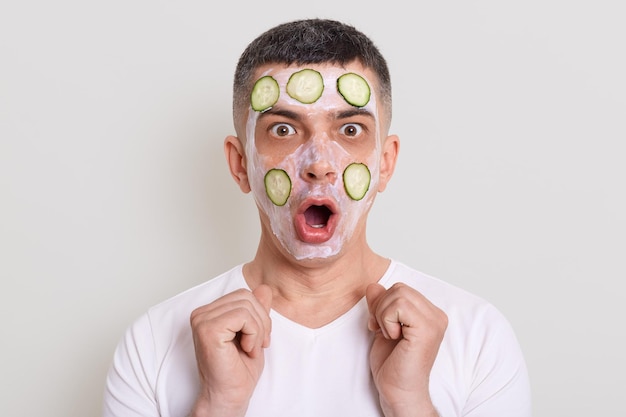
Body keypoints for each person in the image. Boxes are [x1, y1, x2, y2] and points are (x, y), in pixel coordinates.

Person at [103, 18, 532, 417]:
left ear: (385, 163)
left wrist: (410, 403)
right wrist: (218, 404)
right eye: (284, 129)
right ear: (239, 165)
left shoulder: (475, 335)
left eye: (350, 130)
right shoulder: (154, 342)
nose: (319, 164)